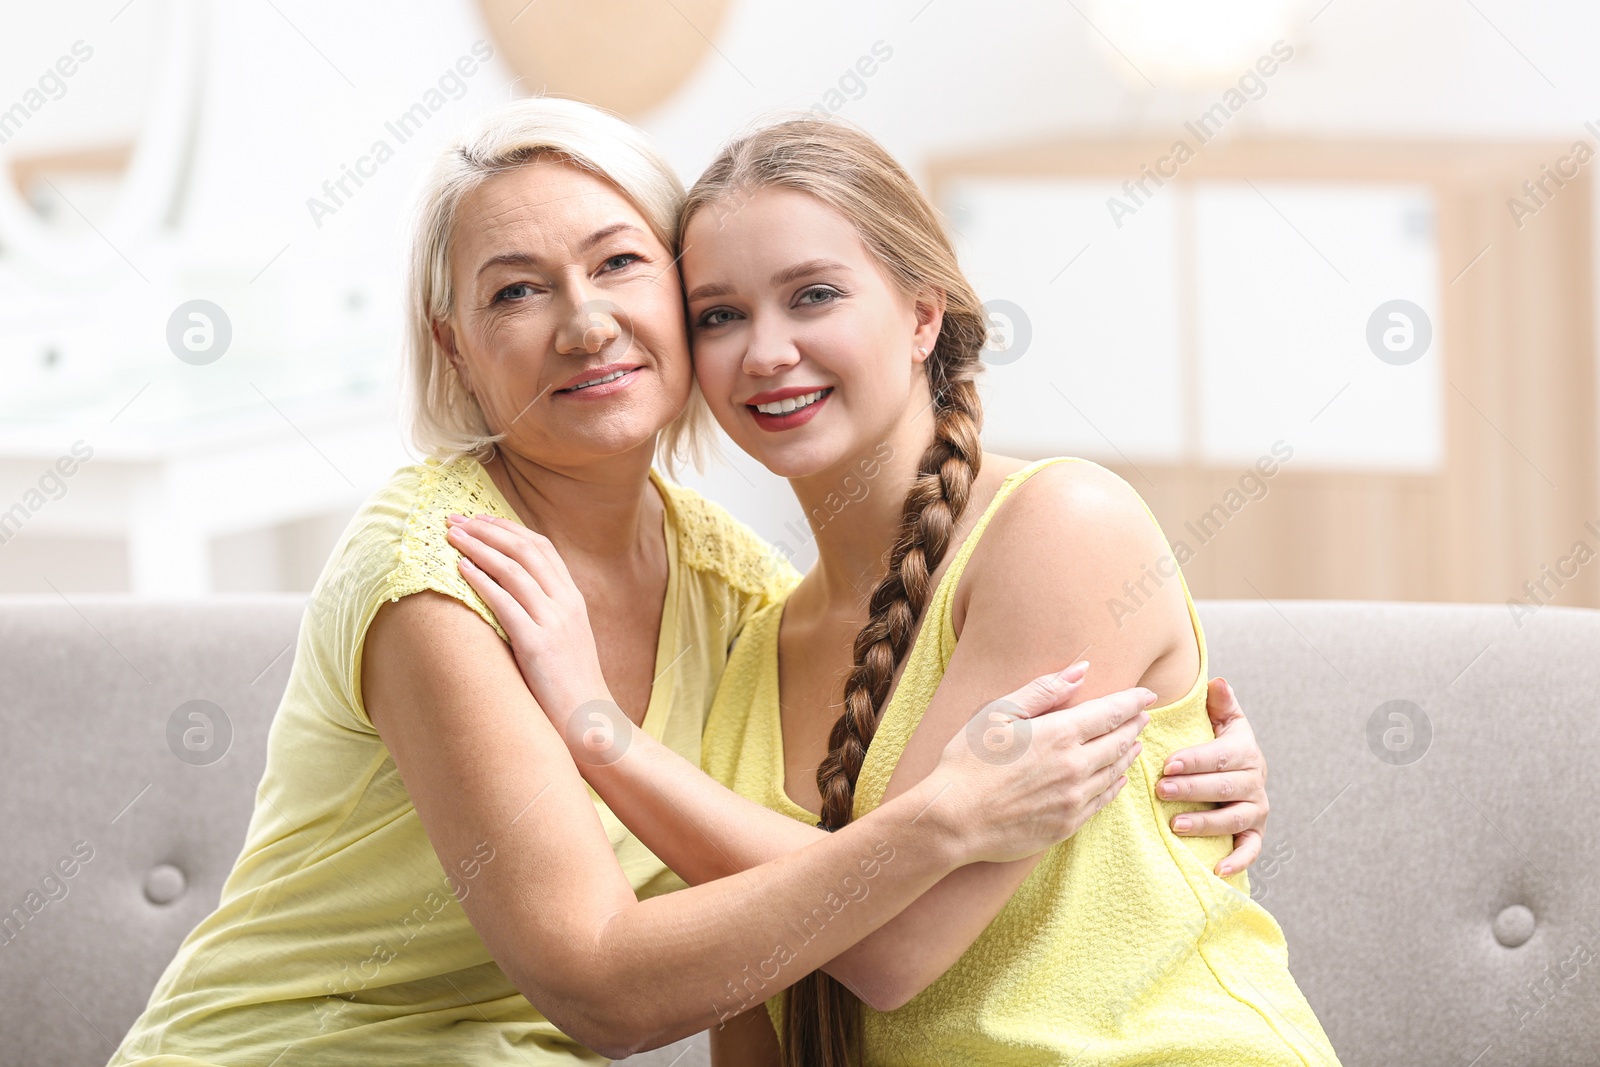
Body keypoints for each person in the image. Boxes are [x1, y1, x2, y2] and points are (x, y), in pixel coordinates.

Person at [108, 97, 1270, 1067]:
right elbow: (627, 975)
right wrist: (943, 816)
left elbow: (809, 919)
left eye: (620, 264)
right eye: (515, 290)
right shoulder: (442, 575)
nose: (584, 321)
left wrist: (1164, 778)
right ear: (454, 345)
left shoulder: (741, 596)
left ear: (925, 314)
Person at [450, 113, 1329, 1066]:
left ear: (922, 315)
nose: (766, 352)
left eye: (814, 295)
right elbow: (752, 988)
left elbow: (892, 946)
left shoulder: (1063, 528)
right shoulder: (755, 646)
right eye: (720, 314)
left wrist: (595, 728)